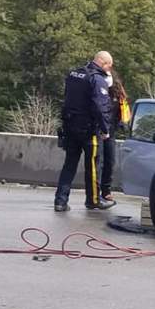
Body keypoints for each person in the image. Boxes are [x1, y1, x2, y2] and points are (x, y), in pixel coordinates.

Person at [55, 51, 116, 212]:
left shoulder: (75, 74)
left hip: (70, 126)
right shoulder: (97, 79)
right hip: (89, 130)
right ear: (104, 63)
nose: (110, 69)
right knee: (93, 167)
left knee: (69, 165)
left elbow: (67, 97)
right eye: (110, 66)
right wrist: (105, 129)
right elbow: (100, 107)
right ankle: (93, 200)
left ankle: (60, 201)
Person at [98, 68, 131, 203]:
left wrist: (124, 123)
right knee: (97, 162)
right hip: (98, 130)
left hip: (111, 131)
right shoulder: (98, 90)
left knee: (109, 161)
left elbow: (124, 111)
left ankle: (106, 190)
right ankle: (95, 192)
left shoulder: (118, 94)